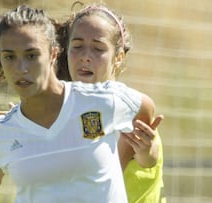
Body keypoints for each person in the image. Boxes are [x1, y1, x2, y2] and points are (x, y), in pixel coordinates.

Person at [0, 5, 156, 203]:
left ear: (53, 54)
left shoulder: (105, 101)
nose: (21, 68)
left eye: (31, 55)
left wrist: (132, 154)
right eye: (9, 57)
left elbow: (145, 108)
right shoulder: (1, 132)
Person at [55, 3, 166, 202]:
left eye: (98, 49)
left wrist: (147, 151)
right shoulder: (60, 108)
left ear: (118, 57)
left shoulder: (130, 109)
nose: (85, 57)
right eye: (77, 47)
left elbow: (144, 159)